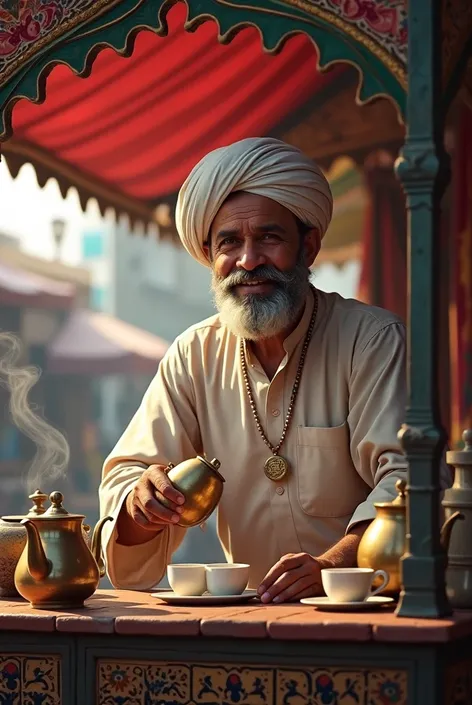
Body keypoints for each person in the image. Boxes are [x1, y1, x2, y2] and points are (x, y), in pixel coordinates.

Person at [99, 137, 450, 603]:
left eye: (268, 237)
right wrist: (141, 503)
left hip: (369, 612)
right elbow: (127, 479)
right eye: (230, 242)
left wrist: (332, 565)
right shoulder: (193, 354)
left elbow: (407, 481)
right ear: (210, 255)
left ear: (308, 245)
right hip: (248, 621)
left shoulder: (371, 339)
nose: (248, 261)